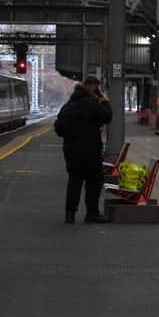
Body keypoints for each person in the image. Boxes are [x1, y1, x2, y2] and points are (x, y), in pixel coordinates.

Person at [54, 76, 113, 224]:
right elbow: (107, 117)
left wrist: (72, 136)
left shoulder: (68, 104)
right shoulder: (93, 103)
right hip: (90, 149)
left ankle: (70, 214)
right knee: (94, 181)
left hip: (71, 150)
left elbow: (59, 128)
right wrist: (105, 102)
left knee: (74, 180)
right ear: (93, 88)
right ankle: (92, 213)